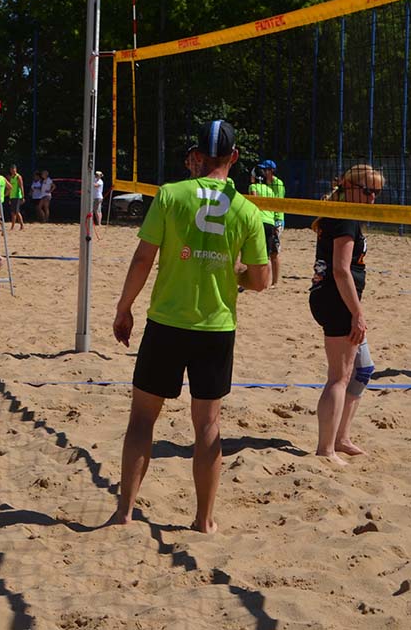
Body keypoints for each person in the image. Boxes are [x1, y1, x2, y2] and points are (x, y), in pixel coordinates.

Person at [109, 120, 269, 533]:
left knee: (142, 420)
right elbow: (261, 280)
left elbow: (143, 259)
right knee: (208, 427)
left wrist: (124, 308)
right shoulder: (247, 210)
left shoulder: (170, 194)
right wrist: (234, 272)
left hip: (167, 322)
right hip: (216, 328)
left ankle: (125, 512)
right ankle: (204, 521)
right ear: (234, 157)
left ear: (197, 155)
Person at [310, 164, 383, 465]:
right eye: (368, 191)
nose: (372, 198)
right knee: (339, 377)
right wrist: (357, 313)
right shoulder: (345, 217)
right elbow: (341, 270)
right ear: (350, 187)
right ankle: (326, 449)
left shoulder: (343, 213)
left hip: (334, 298)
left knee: (363, 369)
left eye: (377, 192)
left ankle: (341, 438)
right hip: (337, 301)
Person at [249, 163, 280, 287]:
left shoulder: (253, 187)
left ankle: (258, 280)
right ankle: (267, 282)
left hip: (259, 221)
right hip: (270, 222)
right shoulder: (270, 190)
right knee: (267, 254)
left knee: (256, 253)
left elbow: (254, 202)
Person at [8, 164, 26, 230]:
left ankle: (20, 225)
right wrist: (9, 197)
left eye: (14, 169)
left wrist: (23, 196)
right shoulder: (11, 177)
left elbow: (21, 186)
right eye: (11, 169)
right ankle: (14, 226)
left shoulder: (18, 177)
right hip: (12, 196)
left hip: (17, 196)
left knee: (16, 212)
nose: (13, 170)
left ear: (16, 169)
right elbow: (10, 188)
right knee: (13, 212)